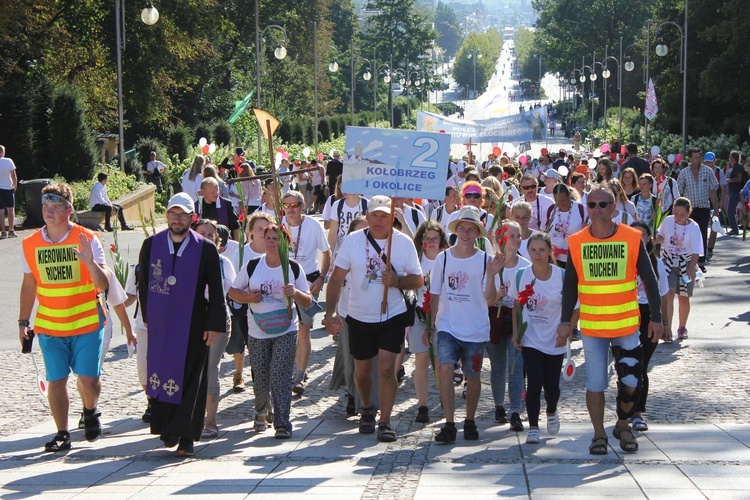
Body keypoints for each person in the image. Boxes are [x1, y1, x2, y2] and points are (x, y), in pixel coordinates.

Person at [558, 184, 663, 455]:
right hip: (593, 328)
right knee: (595, 384)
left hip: (626, 325)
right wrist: (565, 322)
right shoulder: (577, 241)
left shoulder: (630, 238)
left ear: (615, 207)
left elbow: (651, 280)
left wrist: (658, 318)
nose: (597, 210)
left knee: (631, 382)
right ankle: (598, 434)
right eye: (592, 205)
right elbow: (570, 286)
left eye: (603, 204)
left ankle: (623, 424)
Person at [19, 182, 109, 452]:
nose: (49, 210)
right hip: (49, 325)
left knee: (88, 380)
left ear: (69, 209)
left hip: (87, 323)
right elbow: (28, 285)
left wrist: (88, 262)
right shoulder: (30, 243)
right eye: (45, 205)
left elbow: (103, 284)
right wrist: (23, 322)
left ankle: (90, 410)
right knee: (56, 381)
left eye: (56, 205)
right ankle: (62, 432)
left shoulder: (88, 238)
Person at [325, 195, 423, 443]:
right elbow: (337, 278)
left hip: (393, 313)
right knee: (362, 371)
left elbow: (418, 279)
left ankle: (385, 421)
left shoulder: (403, 243)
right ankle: (367, 406)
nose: (379, 220)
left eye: (384, 215)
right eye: (375, 215)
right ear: (367, 216)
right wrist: (330, 312)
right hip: (359, 315)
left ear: (392, 217)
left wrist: (398, 281)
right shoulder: (353, 241)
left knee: (388, 369)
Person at [137, 192, 226, 457]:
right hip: (162, 324)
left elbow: (217, 290)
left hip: (194, 322)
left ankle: (187, 436)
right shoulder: (151, 245)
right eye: (173, 214)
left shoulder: (205, 248)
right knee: (163, 374)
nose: (177, 220)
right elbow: (143, 285)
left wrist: (214, 324)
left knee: (191, 379)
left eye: (183, 215)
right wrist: (147, 317)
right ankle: (167, 428)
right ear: (167, 216)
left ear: (192, 217)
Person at [428, 206, 504, 443]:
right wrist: (432, 327)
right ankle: (449, 422)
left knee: (473, 375)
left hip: (475, 327)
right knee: (446, 370)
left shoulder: (486, 261)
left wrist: (491, 275)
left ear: (477, 234)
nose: (465, 233)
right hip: (448, 325)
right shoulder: (443, 258)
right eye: (462, 228)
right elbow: (435, 294)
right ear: (456, 230)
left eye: (471, 229)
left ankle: (469, 420)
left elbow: (491, 299)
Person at [229, 224, 312, 439]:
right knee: (262, 377)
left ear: (285, 242)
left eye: (277, 238)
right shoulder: (252, 265)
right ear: (262, 240)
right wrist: (248, 298)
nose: (272, 242)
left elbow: (308, 300)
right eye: (268, 238)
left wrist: (294, 293)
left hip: (286, 329)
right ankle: (261, 411)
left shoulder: (293, 268)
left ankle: (283, 422)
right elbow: (233, 291)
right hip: (257, 330)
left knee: (280, 376)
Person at [510, 233, 568, 444]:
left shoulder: (561, 276)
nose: (537, 254)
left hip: (554, 340)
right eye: (533, 250)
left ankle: (551, 411)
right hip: (531, 339)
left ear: (550, 251)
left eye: (542, 250)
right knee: (534, 382)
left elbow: (574, 307)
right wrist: (516, 332)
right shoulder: (521, 275)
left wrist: (566, 329)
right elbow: (516, 305)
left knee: (552, 387)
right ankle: (533, 426)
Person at [282, 190, 331, 395]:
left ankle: (300, 374)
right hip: (284, 282)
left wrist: (321, 279)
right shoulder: (278, 225)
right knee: (287, 330)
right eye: (287, 206)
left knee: (304, 328)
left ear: (303, 205)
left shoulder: (312, 225)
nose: (291, 210)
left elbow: (326, 253)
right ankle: (292, 367)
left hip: (308, 282)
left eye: (295, 205)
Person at [190, 219, 235, 440]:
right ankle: (189, 418)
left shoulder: (223, 263)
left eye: (210, 234)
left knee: (210, 370)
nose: (206, 237)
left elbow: (232, 290)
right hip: (190, 321)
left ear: (217, 240)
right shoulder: (185, 259)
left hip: (217, 320)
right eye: (202, 233)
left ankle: (210, 421)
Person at [486, 221, 529, 431]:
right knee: (498, 365)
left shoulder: (525, 266)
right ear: (501, 239)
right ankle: (499, 406)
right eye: (512, 236)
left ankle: (515, 411)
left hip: (516, 320)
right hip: (495, 317)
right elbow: (485, 298)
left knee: (516, 365)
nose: (516, 239)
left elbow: (528, 296)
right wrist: (497, 296)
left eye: (518, 235)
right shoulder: (492, 264)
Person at [228, 212, 275, 392]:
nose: (263, 232)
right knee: (245, 345)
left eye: (266, 228)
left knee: (264, 353)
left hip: (269, 310)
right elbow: (232, 285)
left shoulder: (277, 253)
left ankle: (263, 389)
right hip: (244, 309)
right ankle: (241, 375)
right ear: (250, 232)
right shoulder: (241, 254)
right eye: (259, 228)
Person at [630, 221, 669, 430]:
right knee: (627, 365)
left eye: (643, 234)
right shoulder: (624, 260)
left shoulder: (657, 264)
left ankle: (637, 412)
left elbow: (663, 296)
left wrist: (665, 322)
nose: (639, 237)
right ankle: (625, 407)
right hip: (627, 313)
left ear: (649, 238)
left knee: (641, 364)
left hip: (648, 314)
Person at [410, 221, 449, 424]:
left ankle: (445, 397)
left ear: (441, 240)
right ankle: (423, 405)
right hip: (420, 316)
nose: (432, 242)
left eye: (435, 238)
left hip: (443, 317)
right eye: (427, 239)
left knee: (443, 364)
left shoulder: (448, 258)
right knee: (422, 361)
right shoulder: (417, 260)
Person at [655, 197, 702, 341]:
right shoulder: (668, 221)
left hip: (686, 263)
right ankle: (667, 327)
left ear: (689, 213)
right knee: (668, 293)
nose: (678, 217)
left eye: (682, 214)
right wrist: (653, 238)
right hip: (669, 261)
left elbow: (696, 251)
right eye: (676, 214)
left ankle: (682, 327)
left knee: (683, 296)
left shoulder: (693, 227)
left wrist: (692, 269)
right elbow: (661, 236)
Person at [677, 148, 718, 272]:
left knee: (702, 235)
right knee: (687, 235)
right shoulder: (684, 173)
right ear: (690, 158)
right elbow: (679, 192)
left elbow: (712, 190)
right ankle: (687, 261)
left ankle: (701, 262)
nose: (698, 160)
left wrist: (716, 208)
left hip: (704, 208)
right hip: (689, 210)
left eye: (699, 157)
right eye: (695, 157)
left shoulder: (708, 171)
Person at [546, 184, 585, 267]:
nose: (560, 203)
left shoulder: (581, 209)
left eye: (563, 200)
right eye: (557, 200)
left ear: (569, 196)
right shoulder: (551, 210)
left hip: (575, 256)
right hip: (555, 258)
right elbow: (544, 231)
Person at [0, 145, 18, 238]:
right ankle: (11, 230)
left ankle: (3, 232)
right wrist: (15, 185)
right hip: (8, 188)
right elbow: (13, 175)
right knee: (11, 210)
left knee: (1, 211)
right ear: (2, 152)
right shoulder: (8, 161)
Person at [725, 151, 745, 235]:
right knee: (732, 210)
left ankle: (734, 229)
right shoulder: (734, 167)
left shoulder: (738, 167)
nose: (729, 158)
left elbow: (739, 178)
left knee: (730, 210)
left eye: (730, 157)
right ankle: (734, 228)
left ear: (733, 158)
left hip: (736, 191)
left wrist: (729, 180)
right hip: (733, 191)